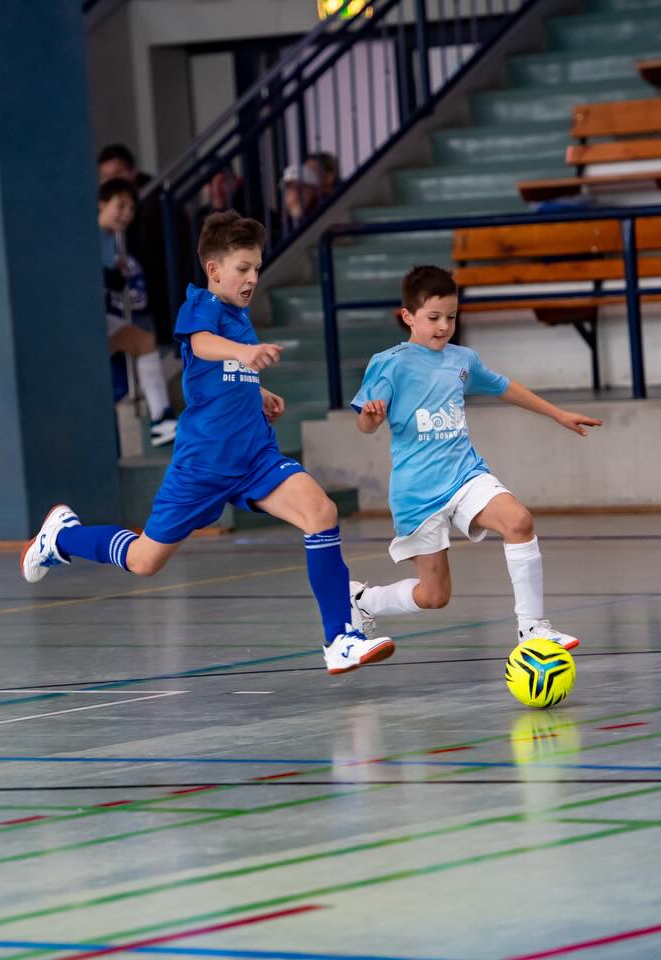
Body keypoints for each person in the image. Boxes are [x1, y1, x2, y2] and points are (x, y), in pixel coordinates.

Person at [21, 211, 395, 676]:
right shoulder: (201, 306)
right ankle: (61, 537)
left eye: (257, 268)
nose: (253, 277)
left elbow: (219, 374)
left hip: (255, 458)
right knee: (144, 560)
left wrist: (258, 392)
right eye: (243, 268)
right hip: (203, 465)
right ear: (214, 269)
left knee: (321, 513)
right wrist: (245, 353)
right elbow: (201, 346)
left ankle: (339, 639)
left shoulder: (240, 319)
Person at [347, 266, 602, 649]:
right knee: (434, 596)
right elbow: (365, 425)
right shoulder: (390, 363)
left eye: (451, 317)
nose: (444, 326)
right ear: (408, 316)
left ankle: (532, 628)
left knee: (518, 521)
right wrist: (371, 416)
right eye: (434, 317)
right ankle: (363, 601)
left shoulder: (463, 360)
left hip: (465, 476)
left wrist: (557, 414)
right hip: (417, 493)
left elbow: (505, 387)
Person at [99, 178, 177, 446]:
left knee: (143, 342)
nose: (126, 214)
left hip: (98, 316)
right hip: (80, 323)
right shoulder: (88, 234)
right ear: (102, 204)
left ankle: (161, 418)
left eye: (131, 208)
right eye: (120, 206)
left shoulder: (111, 239)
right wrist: (110, 275)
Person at [96, 142, 171, 343]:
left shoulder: (154, 208)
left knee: (144, 345)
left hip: (142, 308)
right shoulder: (96, 230)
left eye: (117, 174)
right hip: (111, 312)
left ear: (133, 174)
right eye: (105, 177)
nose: (111, 182)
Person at [280, 163, 320, 233]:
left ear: (314, 191)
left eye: (302, 188)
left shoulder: (324, 217)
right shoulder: (283, 230)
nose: (296, 194)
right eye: (290, 189)